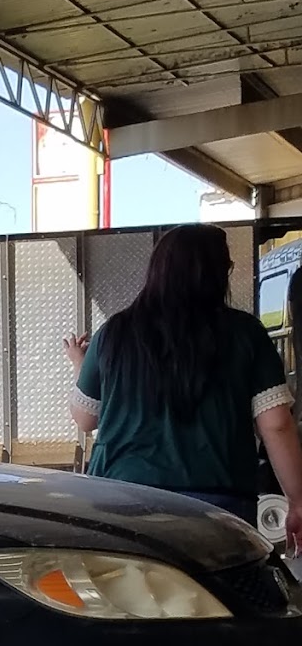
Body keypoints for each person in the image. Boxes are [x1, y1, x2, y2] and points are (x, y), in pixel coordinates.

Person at [62, 223, 302, 555]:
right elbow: (277, 423)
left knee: (129, 600)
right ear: (218, 273)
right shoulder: (246, 334)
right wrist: (297, 500)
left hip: (118, 498)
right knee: (216, 598)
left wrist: (80, 364)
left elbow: (86, 418)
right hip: (218, 504)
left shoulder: (114, 333)